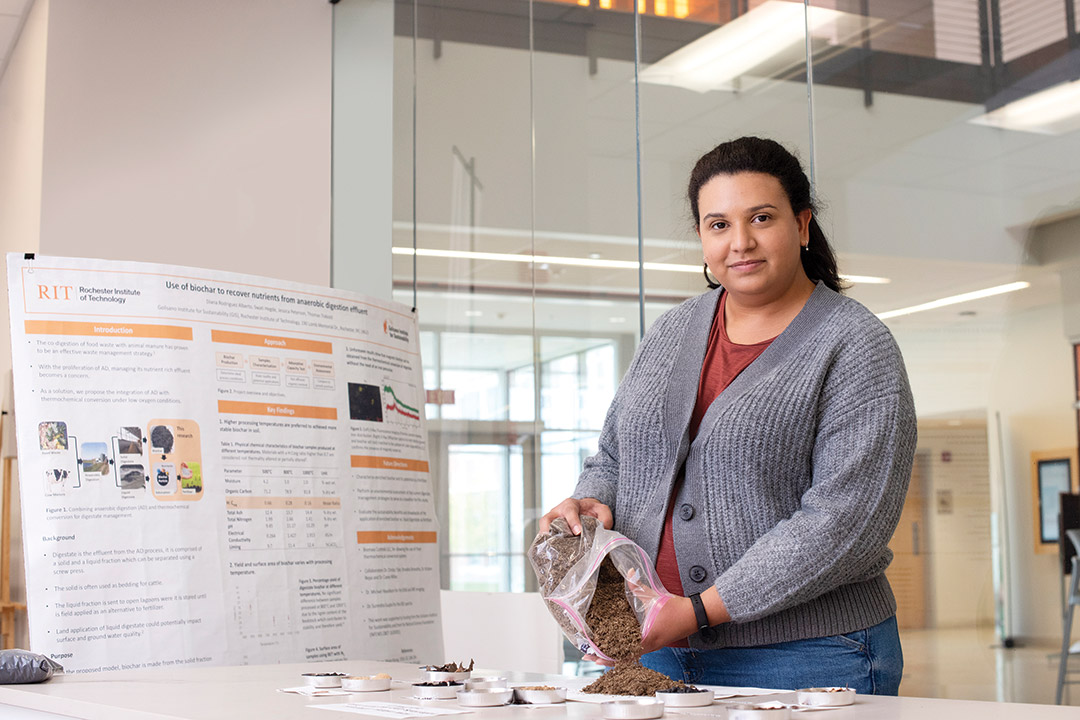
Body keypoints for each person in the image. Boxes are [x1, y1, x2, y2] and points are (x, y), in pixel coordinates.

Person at [538, 136, 917, 695]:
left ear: (803, 225)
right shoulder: (670, 332)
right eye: (718, 225)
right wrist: (593, 498)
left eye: (761, 218)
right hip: (659, 650)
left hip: (808, 654)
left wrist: (699, 610)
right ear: (701, 237)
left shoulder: (855, 344)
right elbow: (616, 456)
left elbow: (844, 524)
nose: (740, 242)